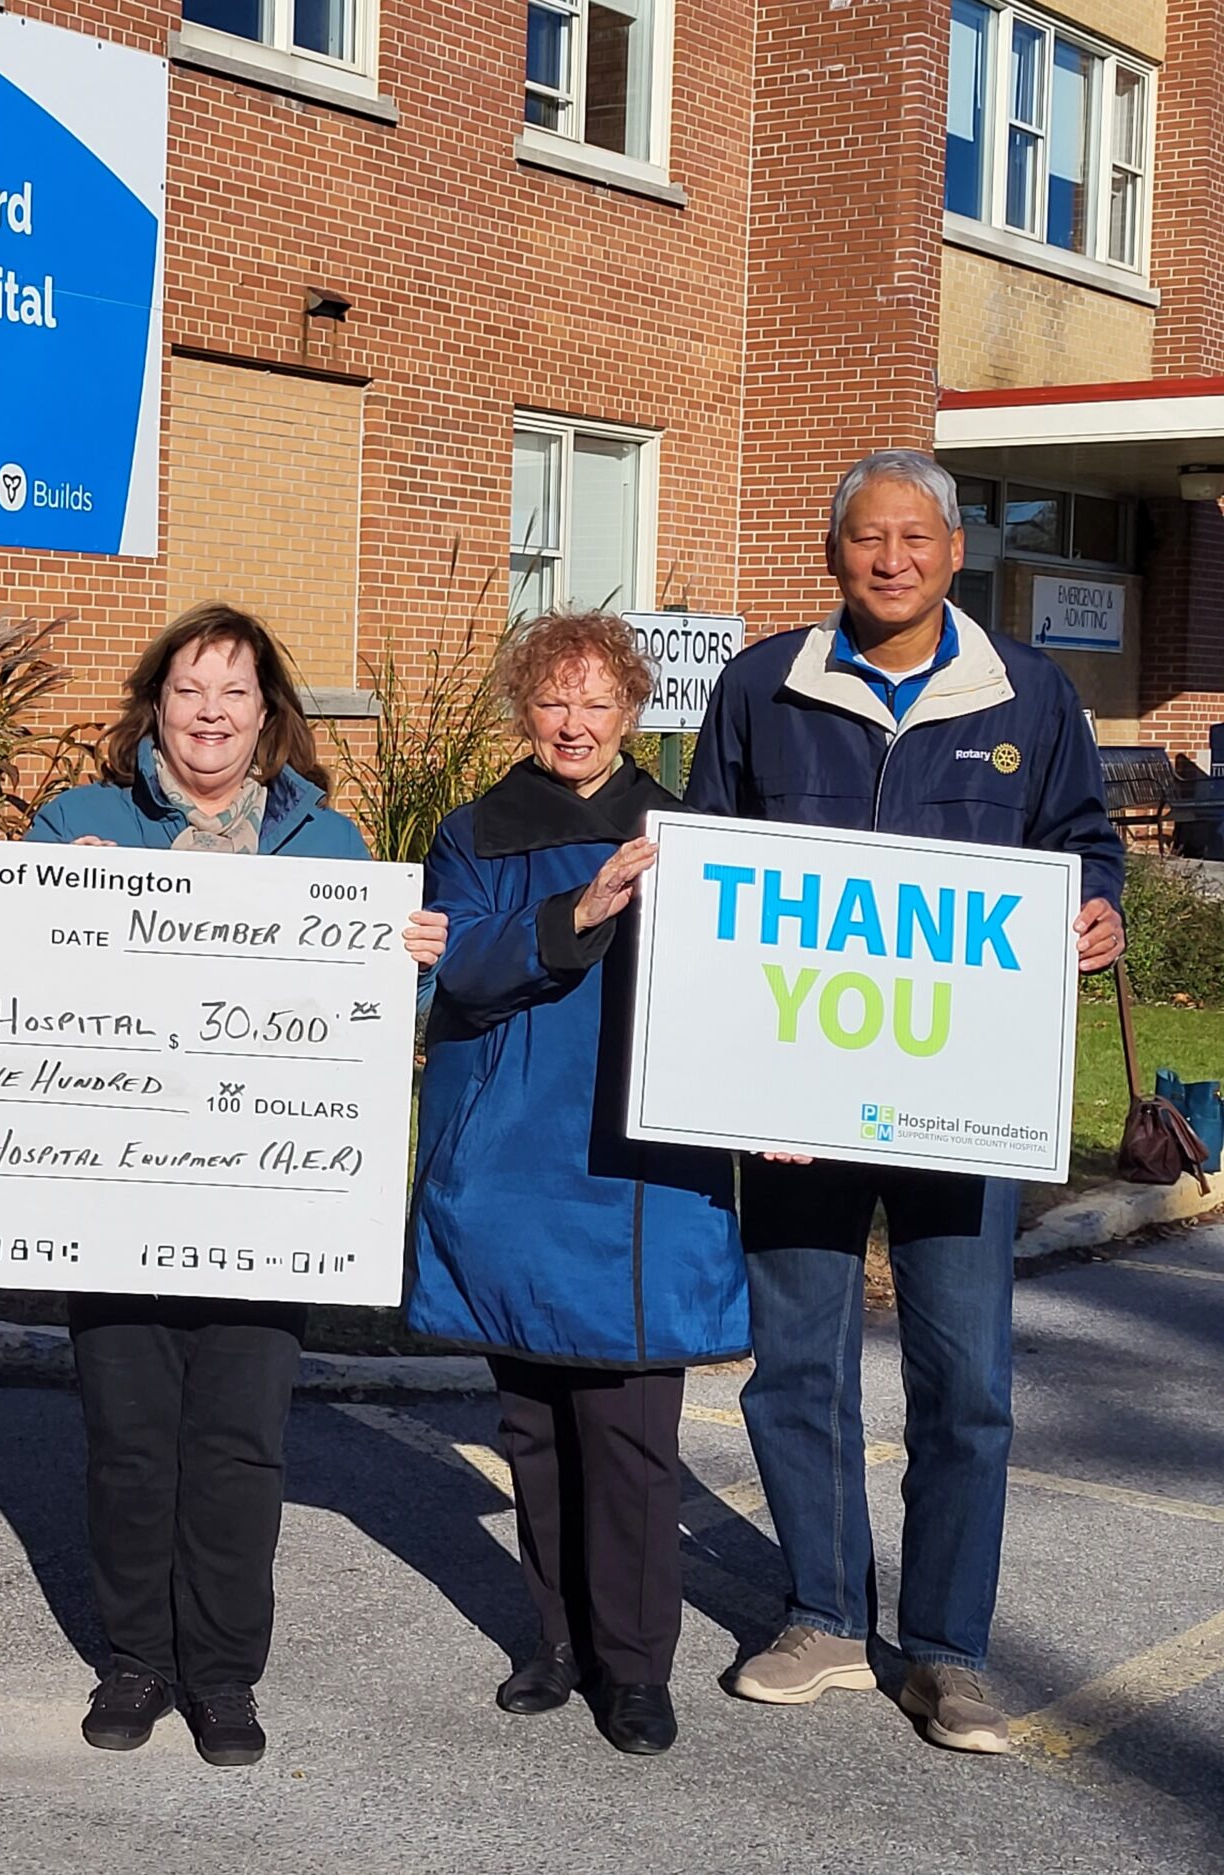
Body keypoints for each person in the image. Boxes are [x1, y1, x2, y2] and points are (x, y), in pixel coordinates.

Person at [686, 449, 1124, 1754]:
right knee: (798, 1366)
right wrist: (726, 1055)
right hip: (796, 1095)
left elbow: (1081, 836)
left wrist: (1093, 901)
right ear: (837, 554)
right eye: (868, 538)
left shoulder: (1028, 692)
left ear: (953, 551)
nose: (892, 558)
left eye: (915, 537)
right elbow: (714, 853)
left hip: (959, 1098)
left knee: (965, 1380)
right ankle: (822, 1613)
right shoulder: (766, 683)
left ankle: (947, 1651)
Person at [22, 603, 373, 1768]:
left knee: (236, 1446)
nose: (210, 713)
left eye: (234, 691)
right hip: (112, 1193)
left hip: (265, 1201)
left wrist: (402, 967)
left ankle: (222, 1676)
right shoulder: (77, 825)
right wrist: (39, 905)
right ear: (153, 706)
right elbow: (5, 987)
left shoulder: (332, 849)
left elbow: (373, 1032)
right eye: (188, 691)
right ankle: (135, 1661)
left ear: (268, 711)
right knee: (128, 1440)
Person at [400, 609, 745, 1756]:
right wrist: (580, 912)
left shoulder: (694, 836)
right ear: (522, 710)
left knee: (633, 1441)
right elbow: (461, 973)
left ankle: (636, 1671)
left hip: (644, 1183)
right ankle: (553, 1644)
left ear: (633, 712)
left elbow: (751, 999)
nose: (574, 724)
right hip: (507, 1170)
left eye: (597, 703)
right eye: (554, 701)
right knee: (534, 1432)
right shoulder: (473, 833)